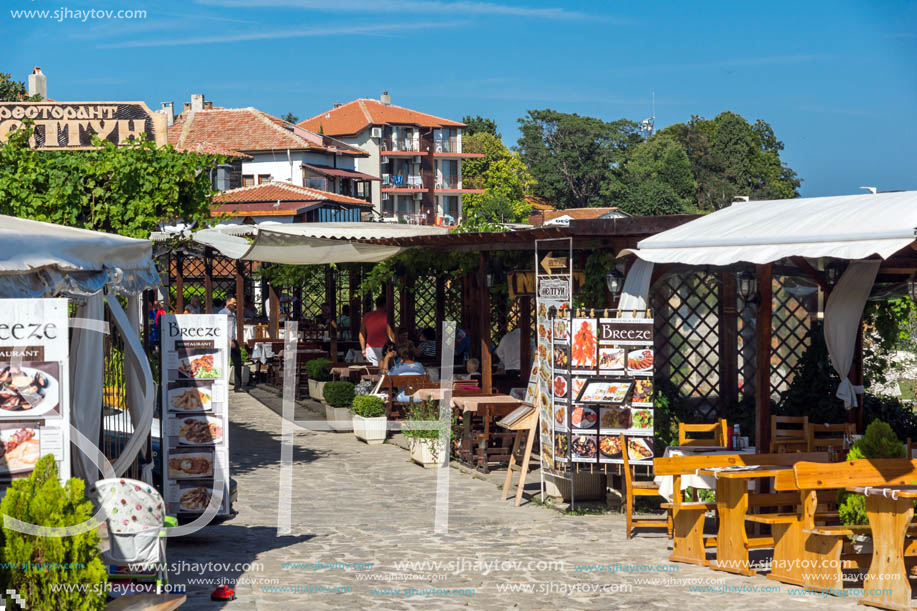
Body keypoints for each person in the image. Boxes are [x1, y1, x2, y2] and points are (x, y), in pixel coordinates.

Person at [359, 296, 394, 366]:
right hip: (385, 348)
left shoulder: (367, 316)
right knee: (386, 371)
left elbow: (361, 334)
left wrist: (363, 350)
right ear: (385, 305)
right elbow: (391, 336)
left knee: (373, 372)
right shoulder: (388, 317)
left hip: (370, 349)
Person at [219, 297, 243, 392]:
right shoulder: (222, 313)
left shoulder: (233, 313)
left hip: (233, 340)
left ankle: (238, 386)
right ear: (228, 303)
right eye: (234, 303)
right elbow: (221, 328)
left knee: (238, 362)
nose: (235, 304)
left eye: (236, 303)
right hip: (226, 341)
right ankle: (221, 385)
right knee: (223, 363)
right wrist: (229, 340)